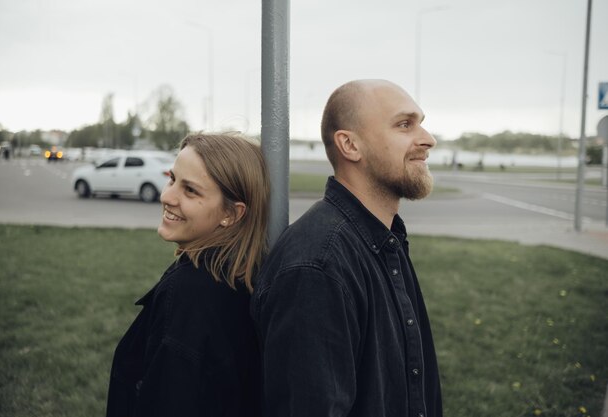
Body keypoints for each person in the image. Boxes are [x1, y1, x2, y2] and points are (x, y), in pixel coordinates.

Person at [251, 79, 443, 417]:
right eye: (405, 124)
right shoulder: (317, 267)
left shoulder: (384, 238)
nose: (428, 139)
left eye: (421, 123)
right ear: (350, 145)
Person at [106, 133, 269, 417]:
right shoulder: (242, 275)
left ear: (231, 213)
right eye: (172, 179)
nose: (166, 196)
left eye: (190, 191)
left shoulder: (190, 296)